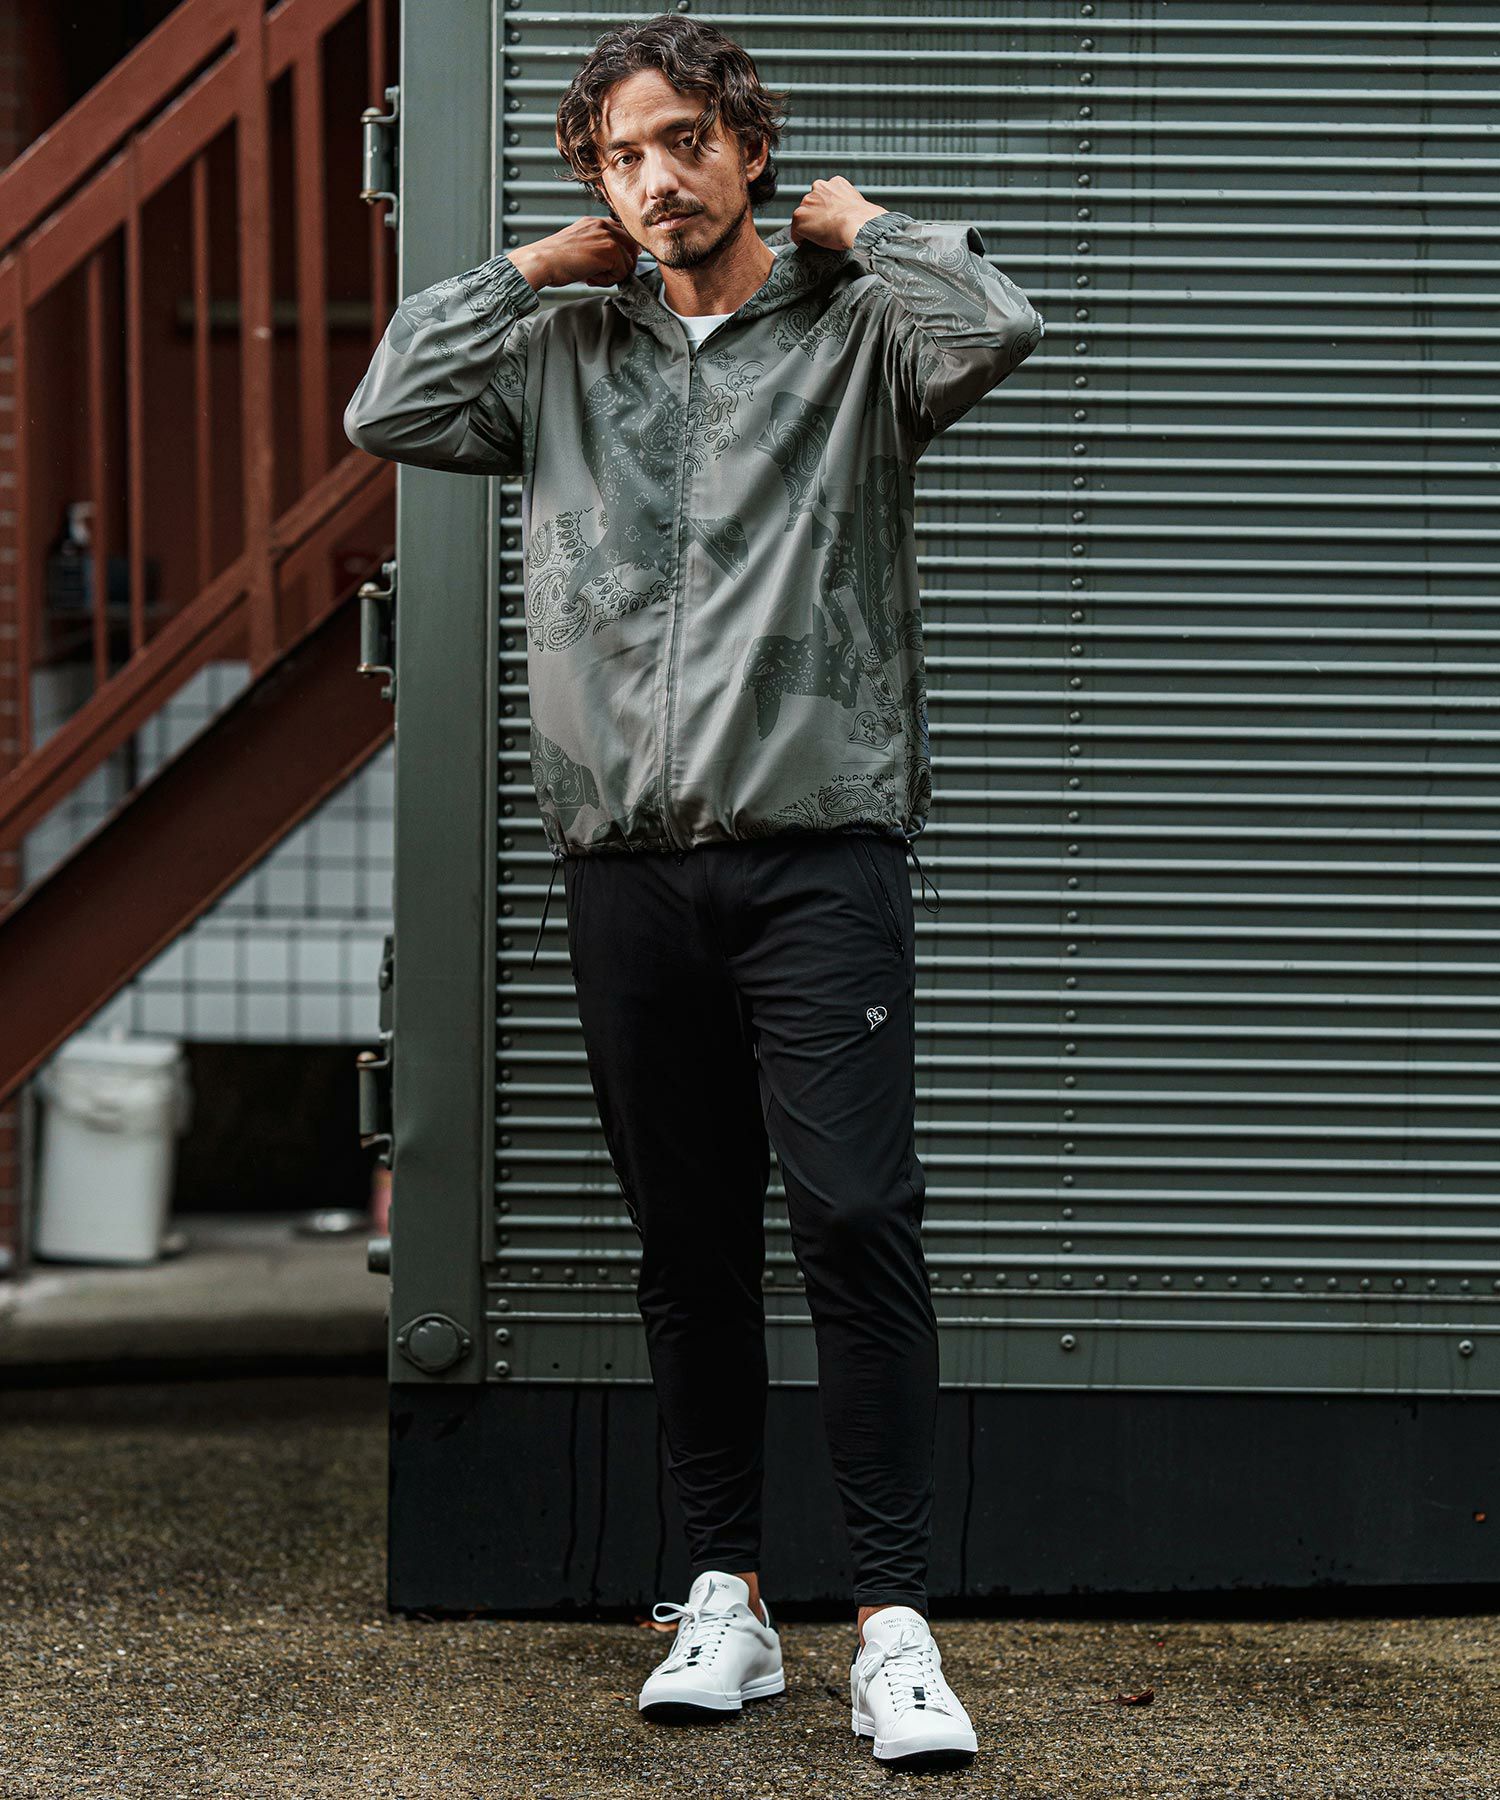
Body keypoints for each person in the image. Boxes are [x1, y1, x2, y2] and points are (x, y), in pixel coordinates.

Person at [344, 11, 1042, 1773]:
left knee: (856, 1218)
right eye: (622, 157)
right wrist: (526, 268)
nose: (655, 180)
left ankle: (894, 1626)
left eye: (682, 142)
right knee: (689, 1241)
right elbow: (388, 403)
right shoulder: (566, 352)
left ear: (747, 146)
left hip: (820, 852)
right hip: (628, 865)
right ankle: (723, 1596)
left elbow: (998, 325)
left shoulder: (859, 335)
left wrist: (862, 227)